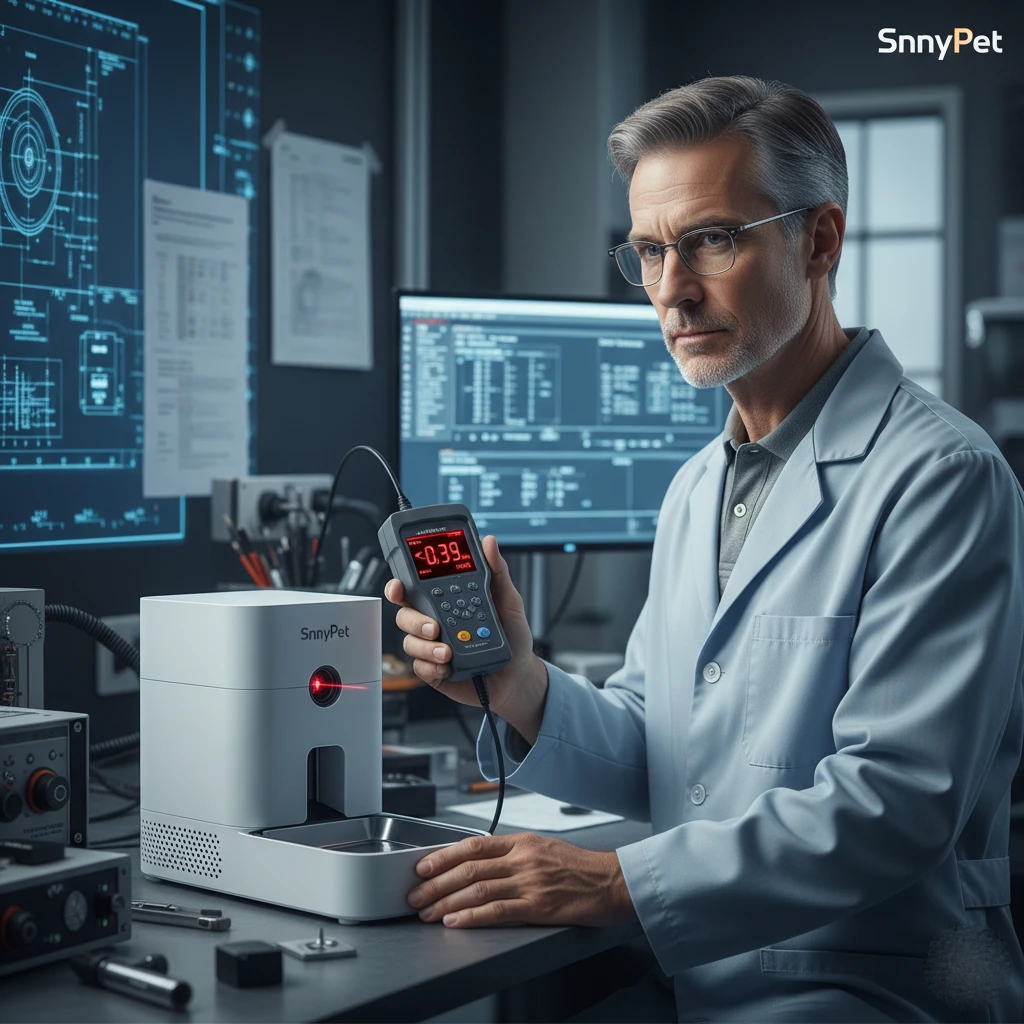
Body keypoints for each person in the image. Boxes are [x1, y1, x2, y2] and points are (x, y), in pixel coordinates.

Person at [386, 76, 1024, 1022]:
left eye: (712, 240)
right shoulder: (696, 487)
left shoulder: (941, 478)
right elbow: (660, 744)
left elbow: (896, 805)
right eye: (649, 251)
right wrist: (519, 683)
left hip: (869, 986)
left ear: (820, 240)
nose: (673, 290)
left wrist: (617, 884)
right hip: (705, 974)